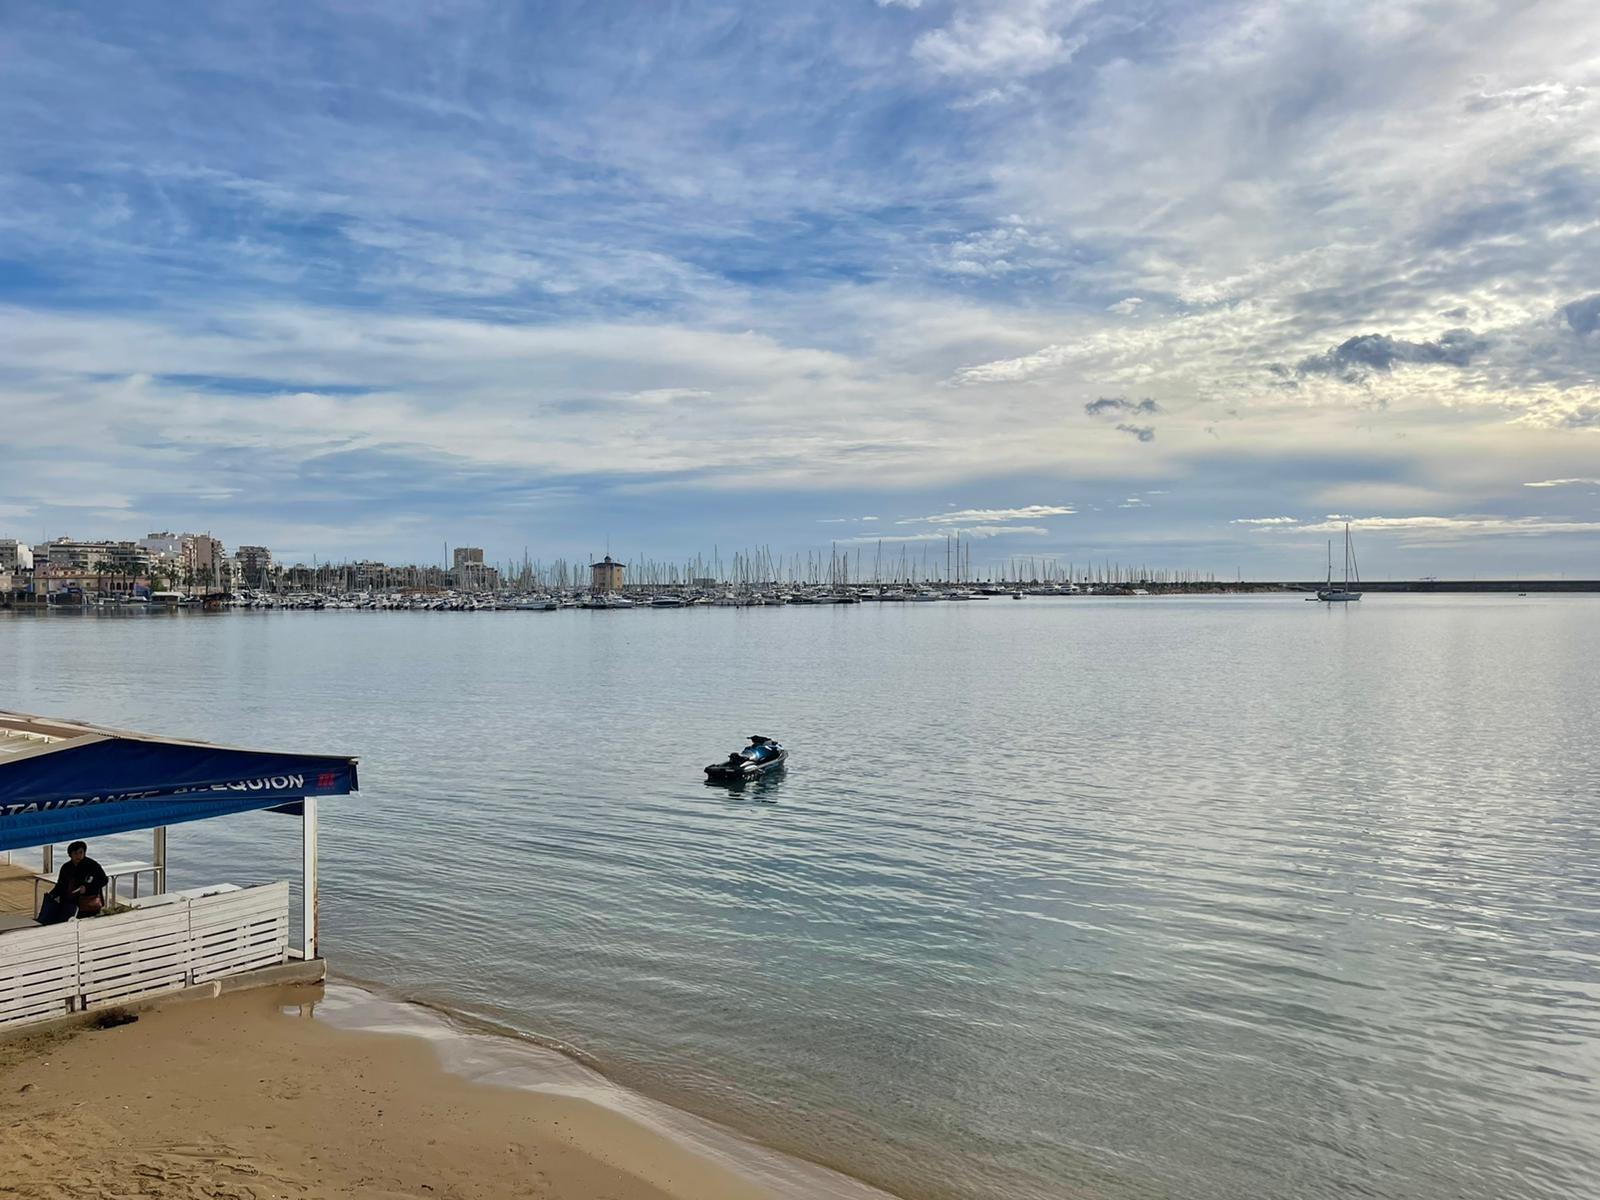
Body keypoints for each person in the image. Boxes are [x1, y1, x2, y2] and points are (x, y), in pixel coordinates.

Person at [36, 841, 108, 925]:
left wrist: (87, 888)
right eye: (75, 853)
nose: (78, 856)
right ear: (70, 854)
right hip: (69, 901)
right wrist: (52, 895)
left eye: (81, 852)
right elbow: (60, 885)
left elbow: (104, 880)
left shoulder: (92, 865)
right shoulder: (66, 867)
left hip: (88, 903)